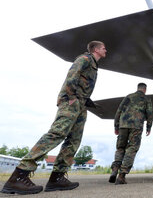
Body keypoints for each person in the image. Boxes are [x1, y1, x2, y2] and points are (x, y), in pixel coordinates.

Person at [1, 41, 106, 195]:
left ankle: (57, 178)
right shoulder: (84, 59)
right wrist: (71, 97)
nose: (106, 50)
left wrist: (86, 101)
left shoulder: (94, 65)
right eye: (104, 48)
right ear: (96, 49)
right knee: (57, 133)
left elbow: (83, 83)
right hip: (72, 102)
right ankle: (19, 175)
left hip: (81, 105)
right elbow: (72, 75)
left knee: (73, 140)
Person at [109, 83, 153, 185]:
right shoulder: (146, 99)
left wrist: (116, 126)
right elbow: (150, 114)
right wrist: (149, 127)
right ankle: (121, 176)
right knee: (132, 148)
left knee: (120, 148)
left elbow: (118, 111)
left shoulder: (128, 97)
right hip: (136, 126)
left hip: (123, 125)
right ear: (145, 89)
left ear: (137, 88)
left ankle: (115, 169)